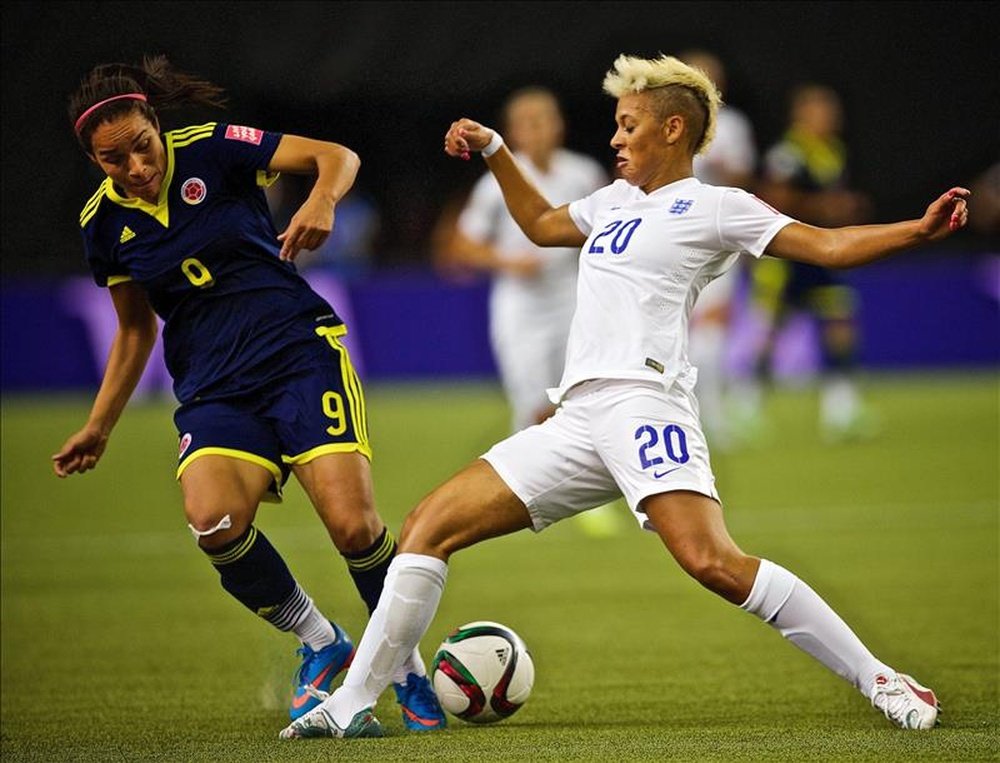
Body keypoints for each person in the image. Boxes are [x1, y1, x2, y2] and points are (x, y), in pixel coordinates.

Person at [280, 53, 968, 740]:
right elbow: (543, 226)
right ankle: (351, 703)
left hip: (647, 405)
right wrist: (493, 149)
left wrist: (918, 230)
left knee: (714, 563)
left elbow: (827, 244)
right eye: (615, 124)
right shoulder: (612, 201)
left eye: (627, 124)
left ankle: (881, 677)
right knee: (428, 524)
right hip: (577, 418)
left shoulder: (717, 206)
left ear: (673, 129)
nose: (614, 138)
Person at [52, 56, 445, 731]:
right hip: (213, 385)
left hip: (298, 352)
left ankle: (403, 667)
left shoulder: (209, 146)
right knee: (213, 522)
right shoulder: (103, 224)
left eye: (142, 145)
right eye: (114, 159)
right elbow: (134, 330)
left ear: (155, 123)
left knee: (353, 526)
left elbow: (335, 155)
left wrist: (321, 198)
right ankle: (321, 641)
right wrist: (100, 424)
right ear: (94, 158)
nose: (138, 166)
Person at [434, 86, 621, 536]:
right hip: (521, 305)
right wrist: (506, 261)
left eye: (546, 119)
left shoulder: (582, 172)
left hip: (573, 297)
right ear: (515, 130)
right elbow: (459, 244)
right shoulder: (494, 183)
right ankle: (527, 490)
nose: (539, 130)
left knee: (577, 396)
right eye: (529, 121)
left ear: (559, 125)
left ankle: (575, 494)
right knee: (533, 403)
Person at [739, 84, 875, 442]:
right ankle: (747, 405)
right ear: (801, 115)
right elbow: (772, 198)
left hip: (822, 257)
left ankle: (840, 410)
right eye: (821, 110)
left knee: (841, 322)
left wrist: (840, 208)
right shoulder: (788, 153)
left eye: (831, 110)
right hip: (788, 259)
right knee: (769, 334)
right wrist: (824, 209)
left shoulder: (832, 151)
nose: (831, 117)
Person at [678, 50, 759, 449]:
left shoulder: (732, 125)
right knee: (673, 336)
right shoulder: (666, 123)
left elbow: (745, 177)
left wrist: (722, 164)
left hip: (716, 239)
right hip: (672, 239)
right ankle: (683, 416)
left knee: (710, 333)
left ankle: (710, 416)